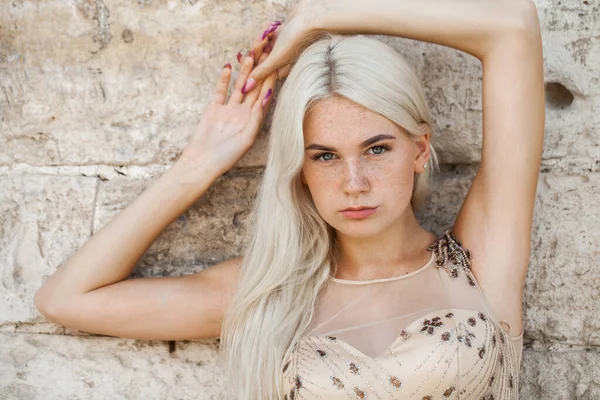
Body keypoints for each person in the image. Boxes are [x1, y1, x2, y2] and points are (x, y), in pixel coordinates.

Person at [34, 0, 544, 399]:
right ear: (299, 170)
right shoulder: (267, 293)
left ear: (420, 148)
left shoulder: (481, 261)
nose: (354, 182)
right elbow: (67, 298)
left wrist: (324, 15)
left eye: (377, 149)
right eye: (324, 156)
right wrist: (200, 163)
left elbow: (512, 27)